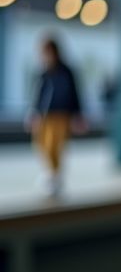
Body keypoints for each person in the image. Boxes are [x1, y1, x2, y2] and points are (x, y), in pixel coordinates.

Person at [27, 36, 84, 195]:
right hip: (45, 115)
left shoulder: (66, 72)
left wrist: (77, 115)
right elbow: (38, 95)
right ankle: (52, 174)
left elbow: (75, 94)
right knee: (42, 144)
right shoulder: (44, 72)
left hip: (61, 115)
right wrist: (34, 113)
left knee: (55, 145)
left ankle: (54, 177)